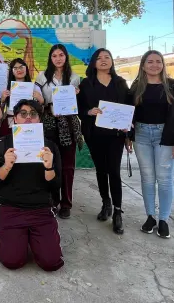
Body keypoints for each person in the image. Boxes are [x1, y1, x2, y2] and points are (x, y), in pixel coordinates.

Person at [0, 99, 64, 271]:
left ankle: (37, 237)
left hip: (41, 209)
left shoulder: (50, 146)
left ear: (39, 120)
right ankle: (18, 237)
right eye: (23, 114)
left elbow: (56, 185)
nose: (28, 118)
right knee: (12, 261)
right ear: (15, 119)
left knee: (51, 263)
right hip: (12, 208)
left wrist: (49, 167)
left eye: (33, 114)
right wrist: (6, 166)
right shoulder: (1, 145)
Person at [77, 48, 129, 235]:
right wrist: (89, 112)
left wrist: (128, 129)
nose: (104, 60)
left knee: (114, 171)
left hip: (116, 135)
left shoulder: (121, 83)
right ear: (94, 63)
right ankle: (105, 202)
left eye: (107, 57)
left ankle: (117, 211)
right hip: (94, 134)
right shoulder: (86, 84)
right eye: (99, 58)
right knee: (101, 170)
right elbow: (79, 108)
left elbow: (130, 108)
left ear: (112, 61)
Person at [126, 50, 174, 238]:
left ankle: (163, 219)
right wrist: (128, 136)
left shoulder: (171, 86)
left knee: (164, 178)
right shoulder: (137, 87)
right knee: (147, 177)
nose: (154, 65)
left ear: (163, 65)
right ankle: (150, 217)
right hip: (141, 135)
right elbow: (130, 114)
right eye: (150, 61)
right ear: (143, 65)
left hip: (166, 136)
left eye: (158, 61)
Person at [36, 44, 83, 219]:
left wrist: (77, 95)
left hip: (68, 124)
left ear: (66, 57)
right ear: (50, 58)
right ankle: (53, 201)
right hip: (49, 121)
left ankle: (66, 203)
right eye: (54, 55)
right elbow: (37, 96)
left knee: (68, 166)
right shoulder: (42, 77)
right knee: (50, 162)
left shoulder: (75, 78)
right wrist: (39, 98)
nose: (58, 58)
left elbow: (79, 104)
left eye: (61, 55)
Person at [0, 58, 44, 136]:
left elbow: (41, 107)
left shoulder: (34, 87)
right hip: (11, 122)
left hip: (30, 122)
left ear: (26, 69)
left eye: (21, 67)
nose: (19, 70)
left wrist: (40, 99)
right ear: (12, 72)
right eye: (15, 68)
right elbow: (0, 110)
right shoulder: (5, 88)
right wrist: (2, 100)